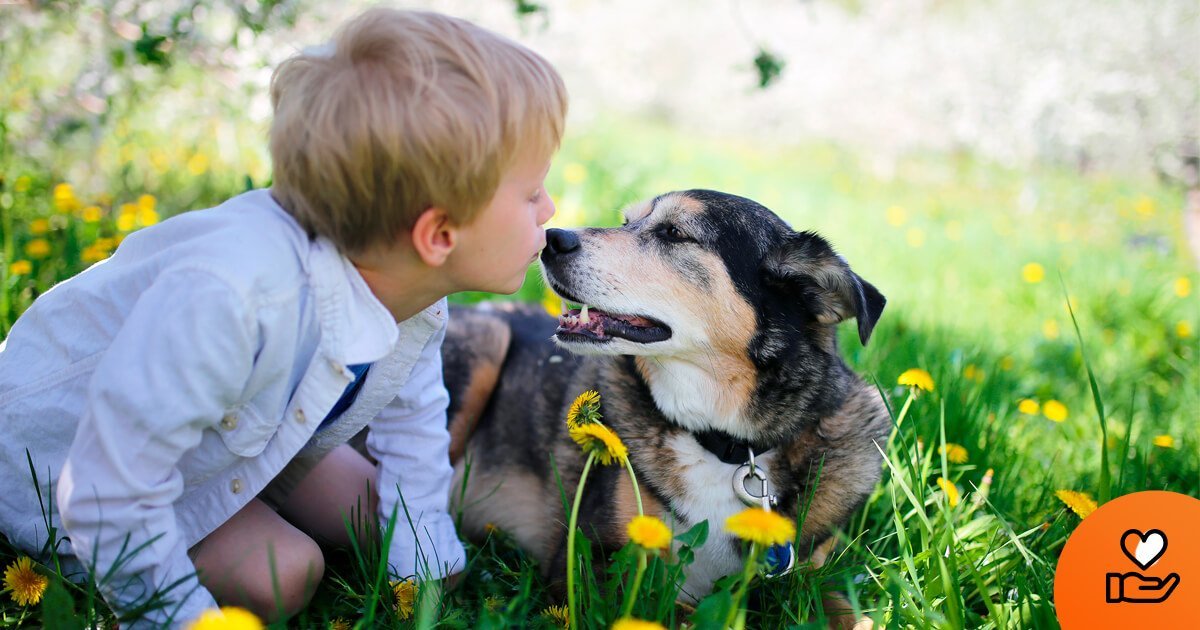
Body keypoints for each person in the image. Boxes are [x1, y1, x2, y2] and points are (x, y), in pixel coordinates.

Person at [0, 8, 565, 626]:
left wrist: (424, 569)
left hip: (243, 435)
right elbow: (107, 488)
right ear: (437, 233)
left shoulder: (413, 287)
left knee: (380, 513)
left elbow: (415, 424)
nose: (549, 208)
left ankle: (268, 501)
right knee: (284, 572)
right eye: (530, 192)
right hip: (61, 464)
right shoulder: (231, 294)